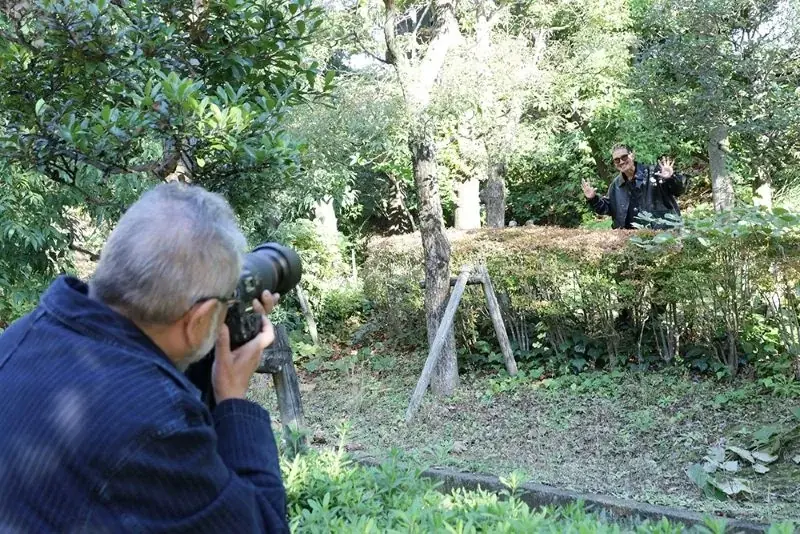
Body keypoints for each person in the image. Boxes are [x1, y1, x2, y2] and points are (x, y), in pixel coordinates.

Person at [0, 183, 289, 533]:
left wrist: (214, 333)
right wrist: (232, 400)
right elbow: (262, 526)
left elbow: (148, 359)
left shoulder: (19, 339)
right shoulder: (157, 430)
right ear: (199, 320)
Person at [581, 144, 688, 229]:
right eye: (617, 160)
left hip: (662, 234)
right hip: (631, 239)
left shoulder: (655, 173)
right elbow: (608, 209)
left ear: (632, 155)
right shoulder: (616, 185)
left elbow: (679, 190)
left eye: (624, 157)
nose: (621, 162)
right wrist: (593, 199)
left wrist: (671, 178)